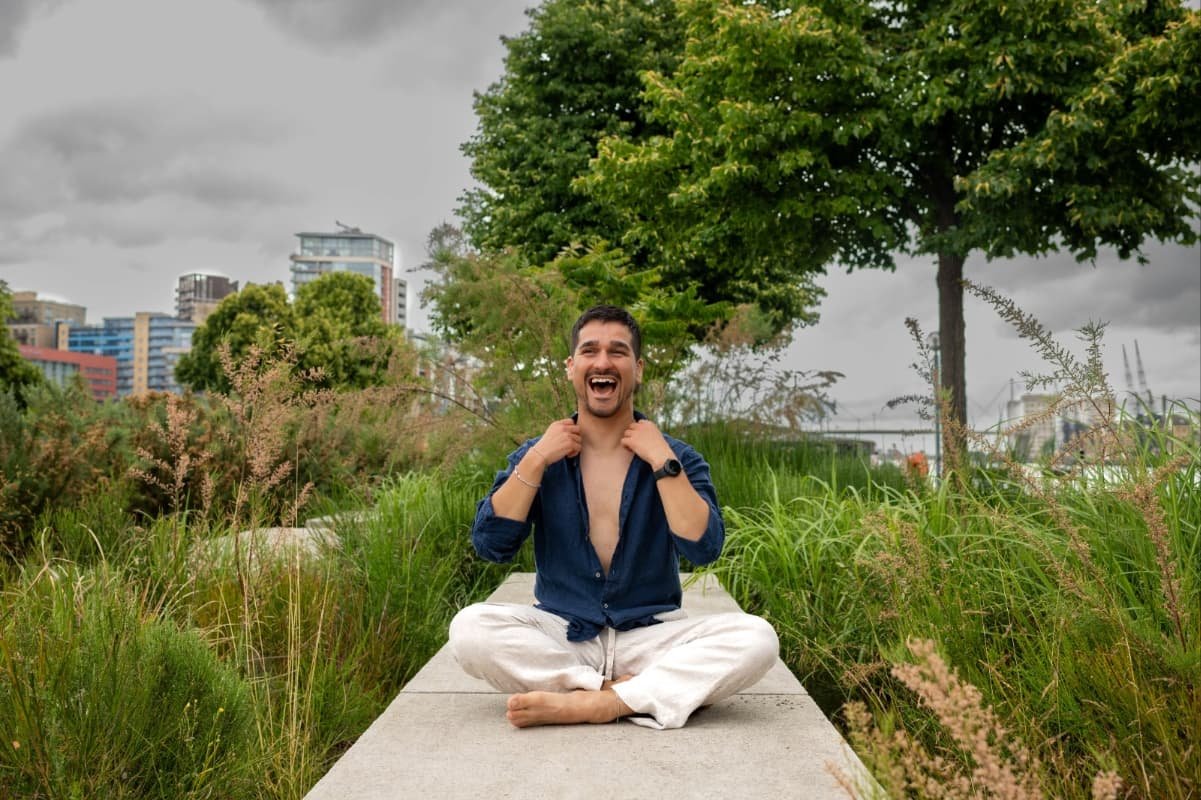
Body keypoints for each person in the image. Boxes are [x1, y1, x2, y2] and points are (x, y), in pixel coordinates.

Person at [449, 305, 779, 730]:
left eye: (618, 352)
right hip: (565, 633)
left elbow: (704, 548)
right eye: (590, 350)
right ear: (571, 367)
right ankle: (623, 693)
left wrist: (662, 460)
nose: (603, 362)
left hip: (652, 634)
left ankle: (593, 702)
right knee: (470, 629)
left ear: (637, 369)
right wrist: (536, 460)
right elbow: (491, 545)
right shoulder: (539, 453)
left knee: (756, 638)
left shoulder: (676, 456)